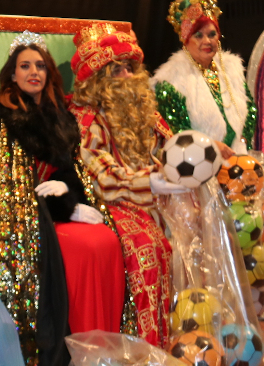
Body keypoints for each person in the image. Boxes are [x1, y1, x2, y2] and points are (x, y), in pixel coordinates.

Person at [0, 31, 127, 366]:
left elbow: (72, 171)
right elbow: (0, 184)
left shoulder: (59, 114)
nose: (33, 71)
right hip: (21, 219)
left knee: (106, 237)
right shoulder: (2, 117)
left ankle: (100, 361)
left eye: (40, 65)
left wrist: (74, 197)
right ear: (13, 74)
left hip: (55, 211)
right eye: (25, 65)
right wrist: (59, 208)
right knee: (87, 247)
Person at [68, 23, 186, 347]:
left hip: (154, 195)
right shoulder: (87, 118)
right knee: (146, 245)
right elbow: (102, 178)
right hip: (111, 201)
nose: (125, 77)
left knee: (198, 224)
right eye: (114, 70)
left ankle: (189, 334)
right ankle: (144, 351)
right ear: (96, 80)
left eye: (129, 68)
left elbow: (171, 147)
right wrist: (152, 182)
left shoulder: (144, 109)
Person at [151, 0, 257, 156]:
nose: (207, 41)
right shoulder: (169, 82)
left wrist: (241, 143)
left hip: (238, 162)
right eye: (198, 35)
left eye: (212, 34)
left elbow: (251, 110)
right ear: (185, 39)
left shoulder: (232, 69)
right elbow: (175, 132)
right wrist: (213, 148)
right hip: (197, 169)